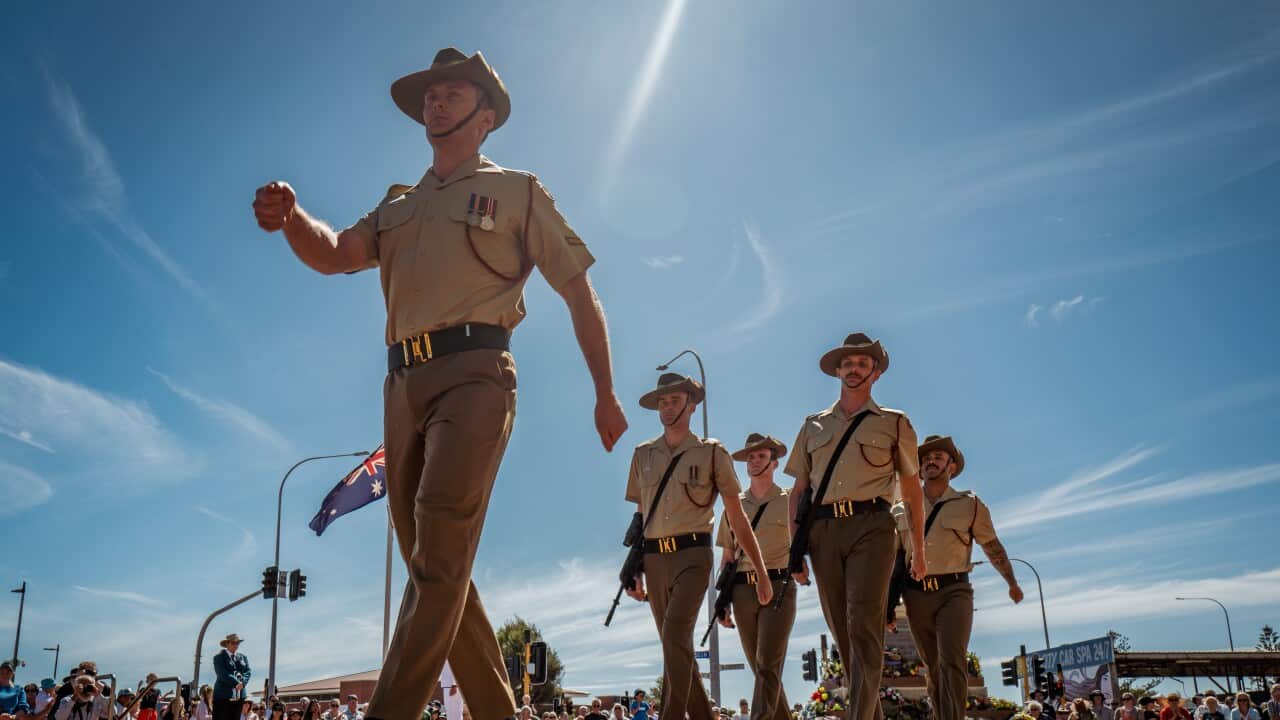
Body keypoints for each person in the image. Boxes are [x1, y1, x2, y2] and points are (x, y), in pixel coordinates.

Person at [253, 46, 626, 720]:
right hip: (401, 387)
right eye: (431, 94)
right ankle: (497, 712)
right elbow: (334, 253)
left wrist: (605, 391)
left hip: (477, 374)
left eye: (453, 93)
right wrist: (292, 218)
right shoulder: (399, 204)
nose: (437, 100)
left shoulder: (519, 191)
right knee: (438, 565)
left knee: (436, 546)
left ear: (486, 117)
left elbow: (577, 290)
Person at [783, 333, 926, 720]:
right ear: (838, 371)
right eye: (848, 363)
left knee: (863, 623)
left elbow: (912, 489)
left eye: (863, 364)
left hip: (874, 526)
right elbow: (798, 491)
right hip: (823, 532)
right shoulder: (812, 426)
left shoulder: (895, 423)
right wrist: (794, 549)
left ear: (875, 373)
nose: (854, 369)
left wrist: (918, 550)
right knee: (844, 636)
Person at [624, 373, 772, 720]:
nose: (667, 407)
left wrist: (761, 571)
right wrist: (634, 569)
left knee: (675, 632)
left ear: (691, 405)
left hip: (693, 555)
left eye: (675, 400)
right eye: (662, 402)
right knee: (675, 646)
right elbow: (640, 517)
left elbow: (737, 518)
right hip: (654, 557)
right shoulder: (642, 454)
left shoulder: (711, 452)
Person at [884, 434, 1022, 720]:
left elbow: (992, 545)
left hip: (954, 591)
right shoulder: (901, 508)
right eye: (925, 458)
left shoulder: (969, 505)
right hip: (915, 594)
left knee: (952, 660)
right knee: (932, 668)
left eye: (938, 457)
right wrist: (887, 606)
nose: (930, 461)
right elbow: (896, 562)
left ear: (952, 466)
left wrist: (1011, 582)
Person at [715, 433, 795, 720]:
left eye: (760, 456)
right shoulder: (733, 505)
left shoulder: (790, 501)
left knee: (767, 665)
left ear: (774, 462)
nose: (754, 461)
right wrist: (720, 602)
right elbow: (727, 557)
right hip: (740, 592)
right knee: (760, 668)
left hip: (778, 587)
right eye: (749, 457)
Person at [212, 635, 249, 720]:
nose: (236, 645)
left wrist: (243, 683)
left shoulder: (243, 657)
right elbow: (222, 674)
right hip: (223, 696)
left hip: (240, 696)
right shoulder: (218, 657)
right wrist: (237, 683)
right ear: (227, 644)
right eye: (233, 643)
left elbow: (248, 671)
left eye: (238, 643)